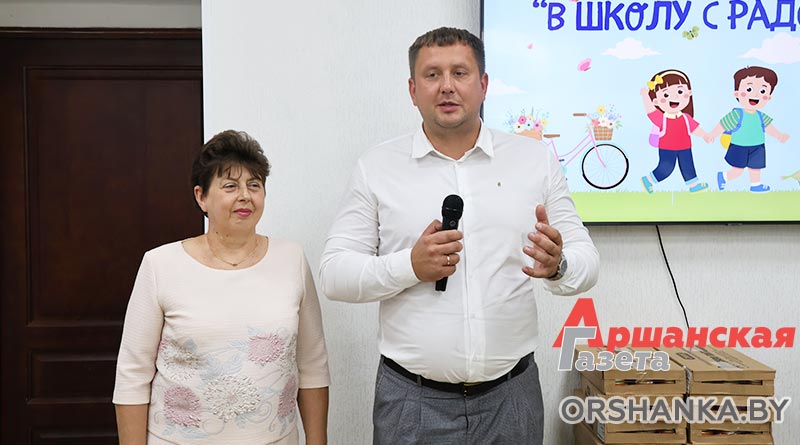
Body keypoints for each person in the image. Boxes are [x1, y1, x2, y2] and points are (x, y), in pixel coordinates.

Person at [319, 27, 599, 444]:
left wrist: (558, 265)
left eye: (460, 73)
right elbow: (334, 274)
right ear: (412, 90)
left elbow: (587, 263)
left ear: (483, 84)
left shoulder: (533, 161)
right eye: (432, 75)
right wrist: (410, 266)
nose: (447, 86)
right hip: (411, 402)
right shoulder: (376, 167)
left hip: (511, 397)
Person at [113, 130, 330, 445]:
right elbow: (132, 375)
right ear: (201, 196)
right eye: (230, 186)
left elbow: (312, 365)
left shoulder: (291, 259)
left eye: (254, 185)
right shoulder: (160, 265)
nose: (245, 196)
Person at [704, 66, 790, 193]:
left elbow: (768, 127)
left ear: (768, 97)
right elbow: (723, 124)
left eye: (762, 91)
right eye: (749, 89)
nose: (755, 95)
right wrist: (712, 134)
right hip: (739, 146)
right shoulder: (737, 114)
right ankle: (724, 176)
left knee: (756, 168)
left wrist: (779, 135)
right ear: (737, 93)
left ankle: (755, 185)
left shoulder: (761, 116)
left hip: (758, 146)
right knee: (738, 170)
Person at [640, 69, 711, 194]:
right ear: (656, 101)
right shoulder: (662, 119)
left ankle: (694, 185)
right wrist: (645, 96)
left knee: (688, 166)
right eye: (666, 95)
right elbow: (650, 111)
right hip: (667, 148)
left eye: (680, 91)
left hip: (685, 147)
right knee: (666, 168)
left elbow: (695, 129)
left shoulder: (686, 118)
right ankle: (648, 180)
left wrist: (705, 135)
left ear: (689, 93)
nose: (675, 97)